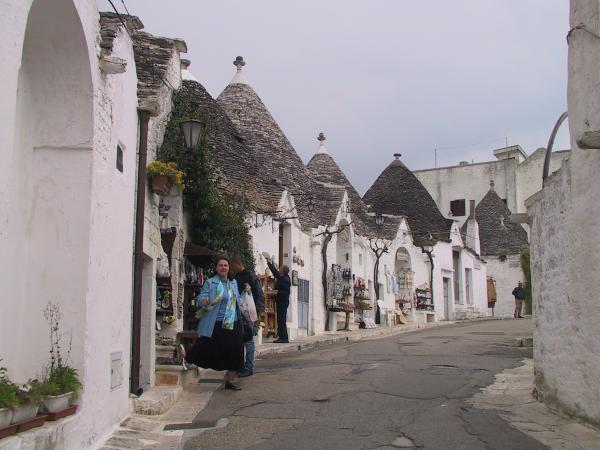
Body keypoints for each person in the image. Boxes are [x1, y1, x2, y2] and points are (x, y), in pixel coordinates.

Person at [186, 256, 247, 390]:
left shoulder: (234, 283)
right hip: (216, 322)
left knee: (236, 352)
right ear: (216, 268)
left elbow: (238, 300)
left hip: (233, 322)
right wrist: (205, 301)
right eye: (221, 265)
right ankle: (186, 358)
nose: (223, 268)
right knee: (206, 346)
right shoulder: (210, 282)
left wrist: (245, 294)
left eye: (225, 265)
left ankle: (229, 381)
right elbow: (200, 298)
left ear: (229, 268)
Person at [231, 257, 264, 378]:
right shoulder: (237, 276)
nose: (232, 268)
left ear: (239, 263)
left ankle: (248, 367)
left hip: (248, 314)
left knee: (248, 341)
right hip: (239, 313)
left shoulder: (249, 276)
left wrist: (257, 311)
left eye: (233, 265)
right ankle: (242, 366)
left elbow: (259, 293)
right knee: (240, 340)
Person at [263, 253, 291, 343]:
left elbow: (286, 292)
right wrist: (269, 262)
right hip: (280, 302)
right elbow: (274, 272)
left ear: (283, 271)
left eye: (280, 269)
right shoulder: (281, 277)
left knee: (281, 320)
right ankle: (282, 337)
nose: (279, 270)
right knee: (280, 320)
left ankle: (284, 338)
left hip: (283, 302)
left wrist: (276, 292)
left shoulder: (286, 280)